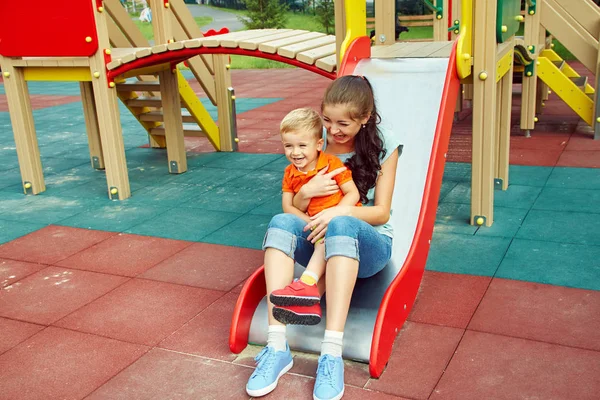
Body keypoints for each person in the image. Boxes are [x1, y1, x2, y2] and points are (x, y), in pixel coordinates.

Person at [246, 75, 401, 400]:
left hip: (369, 243)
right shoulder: (315, 142)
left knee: (342, 225)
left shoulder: (383, 145)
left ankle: (331, 354)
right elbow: (291, 206)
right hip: (319, 237)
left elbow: (381, 212)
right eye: (327, 120)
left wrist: (337, 214)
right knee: (280, 221)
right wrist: (307, 192)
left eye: (343, 123)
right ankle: (277, 348)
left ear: (365, 118)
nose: (333, 130)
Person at [269, 108, 361, 327]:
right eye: (288, 146)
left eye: (302, 145)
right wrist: (312, 222)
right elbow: (287, 207)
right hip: (315, 225)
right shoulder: (290, 173)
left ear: (318, 145)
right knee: (319, 239)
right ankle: (308, 297)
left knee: (327, 240)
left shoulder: (331, 164)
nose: (295, 152)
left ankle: (307, 282)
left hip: (341, 222)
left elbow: (353, 193)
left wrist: (335, 215)